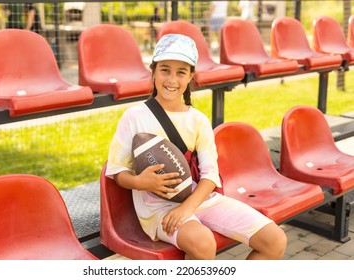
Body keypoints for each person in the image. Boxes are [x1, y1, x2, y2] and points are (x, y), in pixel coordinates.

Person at [106, 34, 287, 260]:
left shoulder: (198, 120)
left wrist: (187, 208)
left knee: (275, 240)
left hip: (199, 200)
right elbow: (115, 170)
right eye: (165, 70)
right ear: (153, 72)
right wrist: (138, 182)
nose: (172, 79)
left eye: (181, 72)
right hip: (158, 208)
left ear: (191, 76)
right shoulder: (134, 116)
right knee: (202, 243)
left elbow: (210, 176)